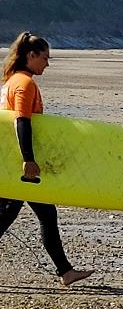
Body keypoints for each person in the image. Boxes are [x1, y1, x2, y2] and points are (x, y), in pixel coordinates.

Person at [0, 32, 94, 287]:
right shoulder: (24, 84)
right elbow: (21, 121)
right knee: (6, 219)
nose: (47, 64)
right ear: (31, 56)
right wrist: (28, 160)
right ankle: (65, 271)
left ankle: (65, 272)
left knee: (46, 215)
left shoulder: (11, 81)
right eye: (44, 57)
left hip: (10, 163)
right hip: (18, 166)